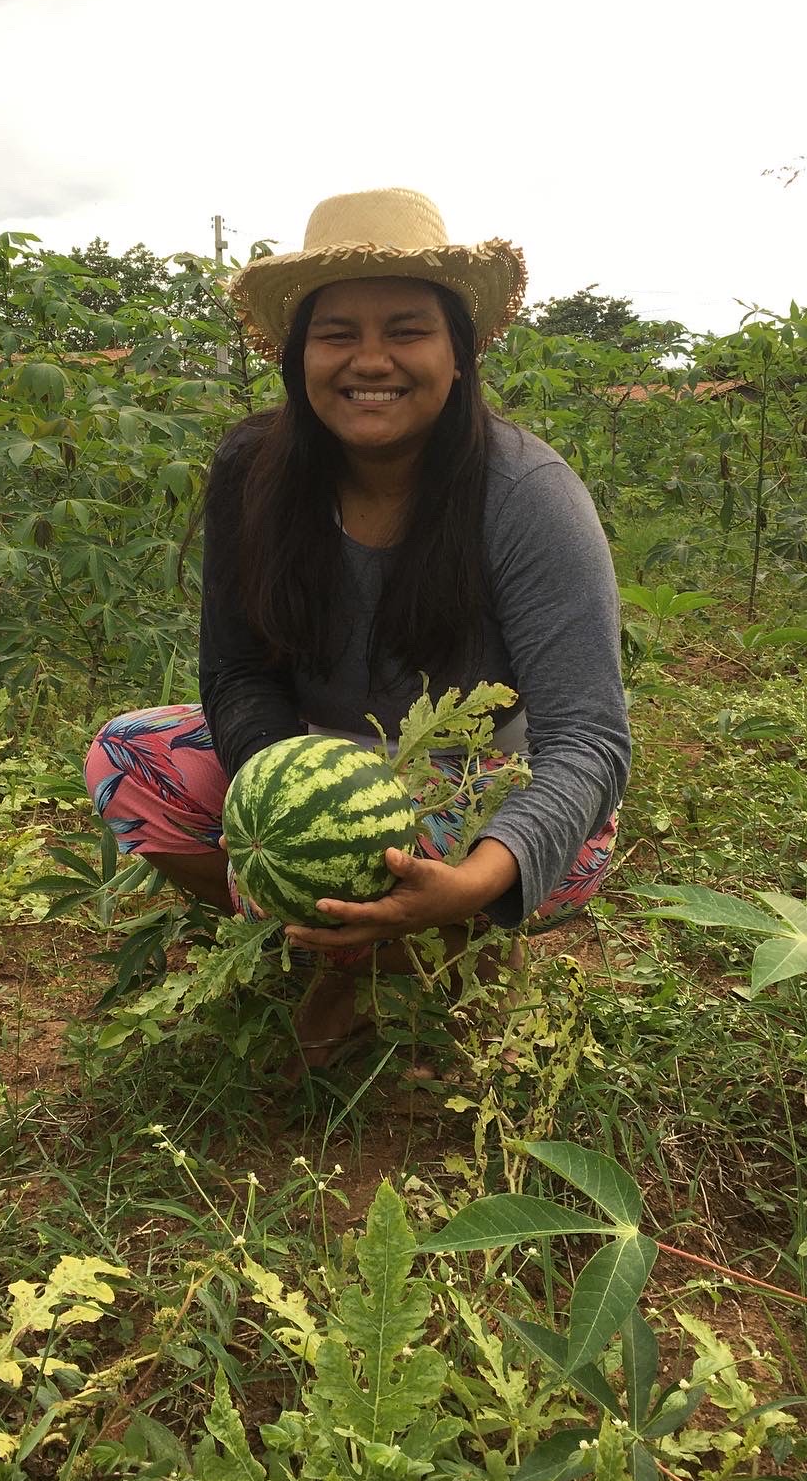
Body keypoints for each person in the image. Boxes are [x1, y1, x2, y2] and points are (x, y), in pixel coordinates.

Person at [85, 187, 630, 1071]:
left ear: (460, 353)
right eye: (338, 333)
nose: (370, 359)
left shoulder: (527, 495)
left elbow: (590, 739)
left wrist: (476, 879)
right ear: (300, 355)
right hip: (312, 753)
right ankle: (342, 951)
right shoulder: (251, 470)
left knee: (514, 853)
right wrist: (282, 802)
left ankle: (455, 944)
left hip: (478, 780)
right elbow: (235, 674)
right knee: (126, 759)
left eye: (407, 329)